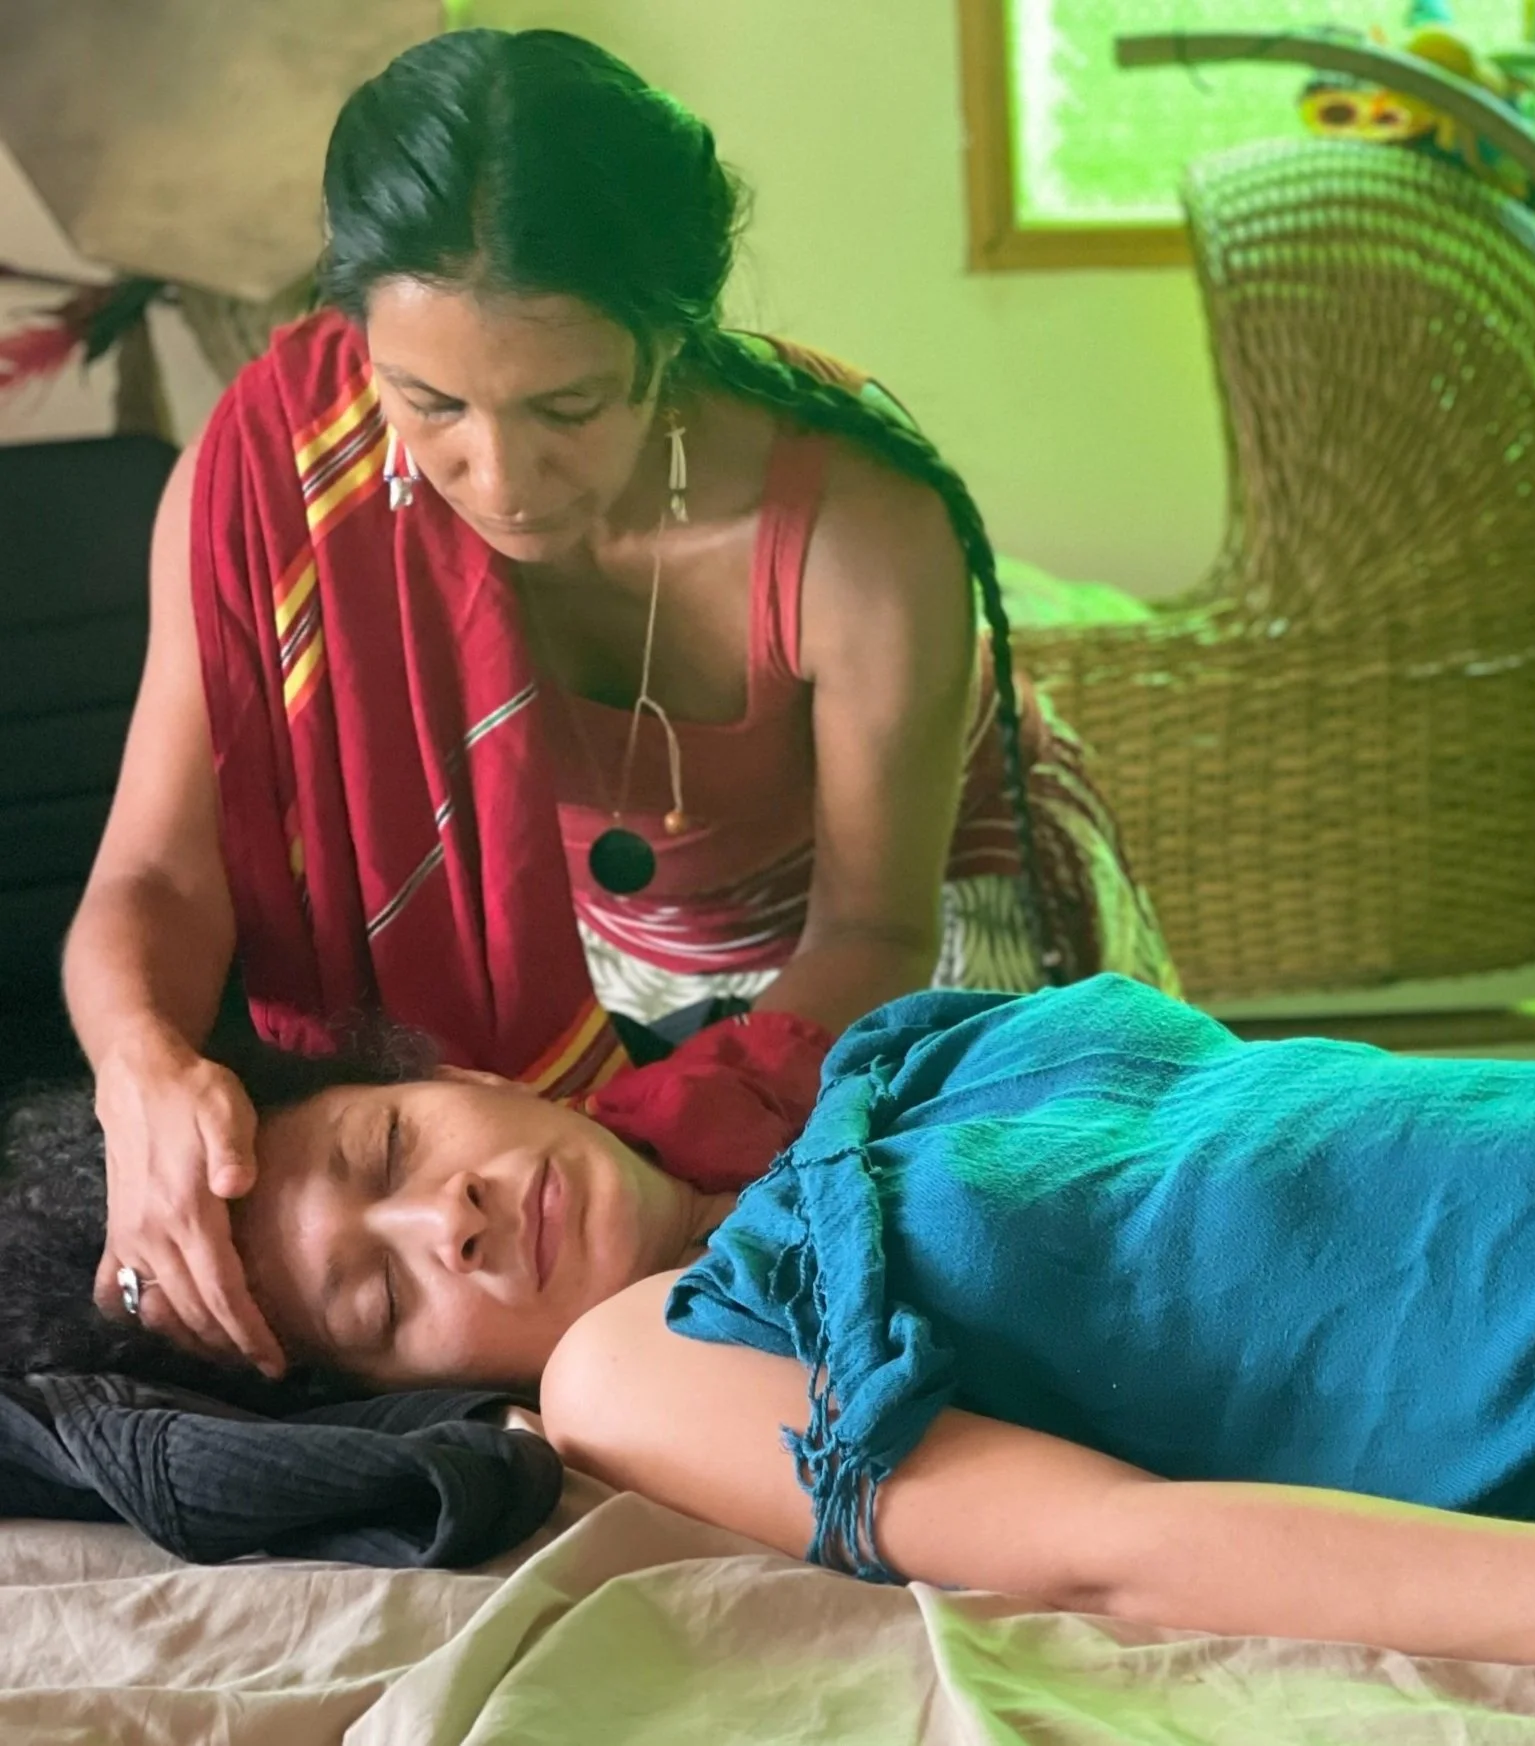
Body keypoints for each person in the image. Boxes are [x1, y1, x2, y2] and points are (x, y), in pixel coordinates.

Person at [18, 973, 1535, 1735]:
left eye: (393, 1146)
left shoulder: (852, 1086)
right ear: (413, 1395)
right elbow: (1113, 1550)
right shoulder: (640, 1364)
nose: (448, 1212)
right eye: (380, 1289)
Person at [59, 30, 1175, 1385]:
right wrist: (138, 1071)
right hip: (617, 944)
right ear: (361, 341)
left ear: (668, 338)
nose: (500, 473)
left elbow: (873, 928)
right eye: (431, 403)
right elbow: (159, 875)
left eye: (570, 406)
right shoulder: (287, 470)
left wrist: (627, 1142)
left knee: (1029, 1282)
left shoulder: (860, 539)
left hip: (914, 924)